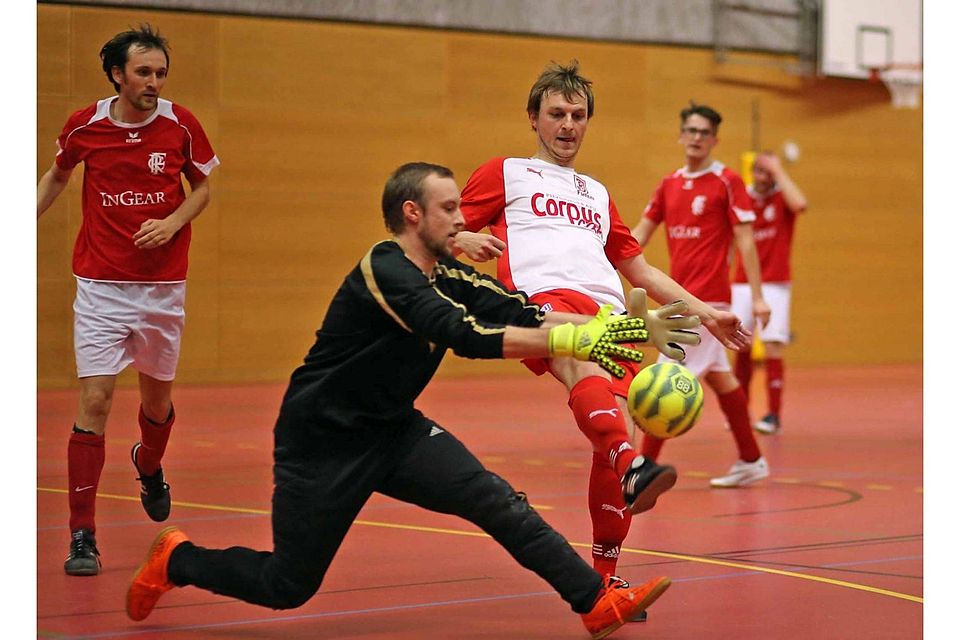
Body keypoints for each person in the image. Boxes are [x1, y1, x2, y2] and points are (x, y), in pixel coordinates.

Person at [126, 162, 702, 639]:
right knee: (287, 585)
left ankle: (593, 602)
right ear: (413, 214)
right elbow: (464, 335)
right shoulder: (386, 270)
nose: (462, 218)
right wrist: (574, 340)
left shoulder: (450, 275)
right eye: (449, 209)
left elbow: (523, 313)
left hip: (394, 431)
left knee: (496, 500)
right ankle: (177, 559)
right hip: (322, 441)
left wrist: (628, 329)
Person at [454, 62, 751, 587]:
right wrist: (462, 239)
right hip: (545, 301)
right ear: (533, 118)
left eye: (578, 115)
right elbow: (441, 231)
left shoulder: (596, 193)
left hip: (613, 315)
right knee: (583, 367)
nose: (568, 125)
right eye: (556, 114)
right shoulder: (505, 172)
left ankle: (606, 577)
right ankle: (632, 465)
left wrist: (707, 313)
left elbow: (640, 270)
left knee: (614, 432)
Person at [36, 24, 219, 576]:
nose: (154, 82)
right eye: (143, 72)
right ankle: (82, 536)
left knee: (156, 406)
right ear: (117, 74)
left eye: (160, 73)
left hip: (163, 287)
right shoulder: (85, 125)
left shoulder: (180, 124)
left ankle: (149, 463)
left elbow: (203, 189)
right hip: (100, 285)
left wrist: (173, 222)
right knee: (94, 402)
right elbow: (57, 175)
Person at [631, 102, 772, 488]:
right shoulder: (668, 184)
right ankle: (751, 458)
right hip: (678, 300)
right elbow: (638, 236)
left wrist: (758, 297)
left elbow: (746, 241)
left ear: (714, 140)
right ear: (681, 135)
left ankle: (642, 469)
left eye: (704, 133)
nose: (696, 138)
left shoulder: (727, 181)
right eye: (691, 131)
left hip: (710, 303)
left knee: (664, 382)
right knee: (722, 379)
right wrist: (602, 261)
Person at [731, 151, 808, 434]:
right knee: (741, 343)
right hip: (742, 282)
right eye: (759, 170)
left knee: (773, 344)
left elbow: (800, 203)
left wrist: (779, 170)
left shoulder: (782, 198)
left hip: (775, 282)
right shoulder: (744, 197)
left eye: (768, 172)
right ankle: (739, 411)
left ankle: (773, 415)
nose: (763, 176)